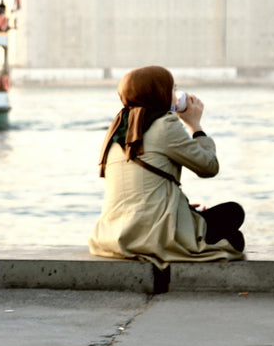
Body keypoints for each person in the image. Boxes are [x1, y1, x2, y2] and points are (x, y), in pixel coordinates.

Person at [89, 65, 245, 269]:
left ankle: (188, 221)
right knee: (234, 216)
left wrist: (181, 206)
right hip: (154, 233)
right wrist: (195, 126)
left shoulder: (118, 128)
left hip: (112, 234)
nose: (175, 95)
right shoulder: (165, 124)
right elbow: (209, 167)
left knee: (222, 223)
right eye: (172, 90)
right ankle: (186, 232)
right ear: (159, 93)